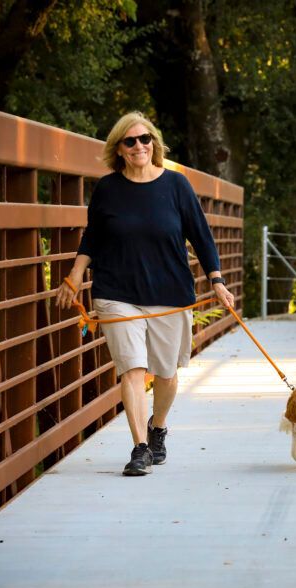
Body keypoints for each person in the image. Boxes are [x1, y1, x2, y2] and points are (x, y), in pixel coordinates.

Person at [55, 111, 236, 476]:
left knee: (166, 374)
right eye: (130, 141)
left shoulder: (177, 185)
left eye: (145, 139)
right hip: (117, 291)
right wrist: (75, 273)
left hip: (169, 291)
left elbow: (201, 234)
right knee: (133, 370)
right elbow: (93, 235)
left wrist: (216, 279)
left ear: (154, 143)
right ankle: (140, 448)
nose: (139, 146)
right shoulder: (108, 188)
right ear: (119, 149)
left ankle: (158, 427)